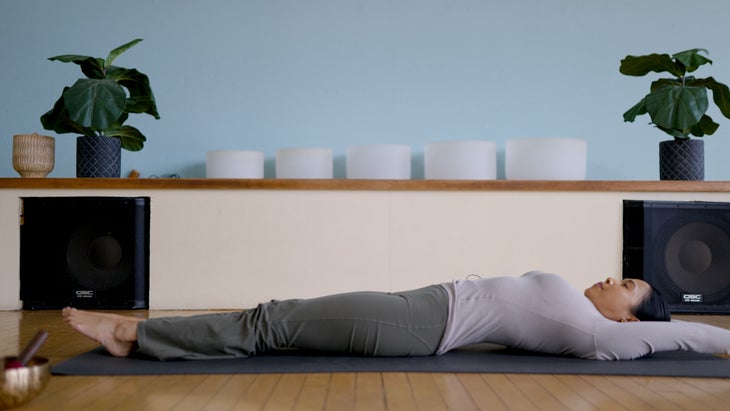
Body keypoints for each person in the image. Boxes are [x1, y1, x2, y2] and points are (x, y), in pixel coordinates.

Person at [62, 270, 730, 361]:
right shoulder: (583, 313)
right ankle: (141, 334)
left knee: (271, 320)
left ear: (634, 316)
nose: (612, 277)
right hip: (418, 311)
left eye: (629, 283)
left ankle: (132, 334)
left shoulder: (600, 334)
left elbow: (689, 332)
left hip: (415, 325)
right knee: (276, 316)